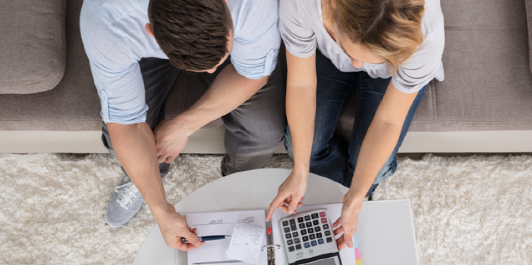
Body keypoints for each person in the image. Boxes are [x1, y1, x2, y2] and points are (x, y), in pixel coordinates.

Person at [80, 0, 284, 250]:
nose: (211, 71)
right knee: (118, 142)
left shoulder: (252, 5)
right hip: (142, 44)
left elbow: (252, 73)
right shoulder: (107, 18)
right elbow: (126, 124)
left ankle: (234, 183)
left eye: (219, 60)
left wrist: (185, 125)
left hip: (223, 26)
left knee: (263, 129)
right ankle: (145, 178)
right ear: (151, 31)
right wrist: (161, 210)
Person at [266, 0, 444, 250]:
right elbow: (301, 85)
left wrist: (356, 196)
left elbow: (388, 119)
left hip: (392, 68)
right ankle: (333, 180)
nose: (357, 65)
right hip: (327, 52)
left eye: (365, 58)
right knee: (302, 148)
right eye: (352, 53)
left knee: (374, 167)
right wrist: (300, 170)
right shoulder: (300, 4)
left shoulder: (425, 36)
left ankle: (350, 187)